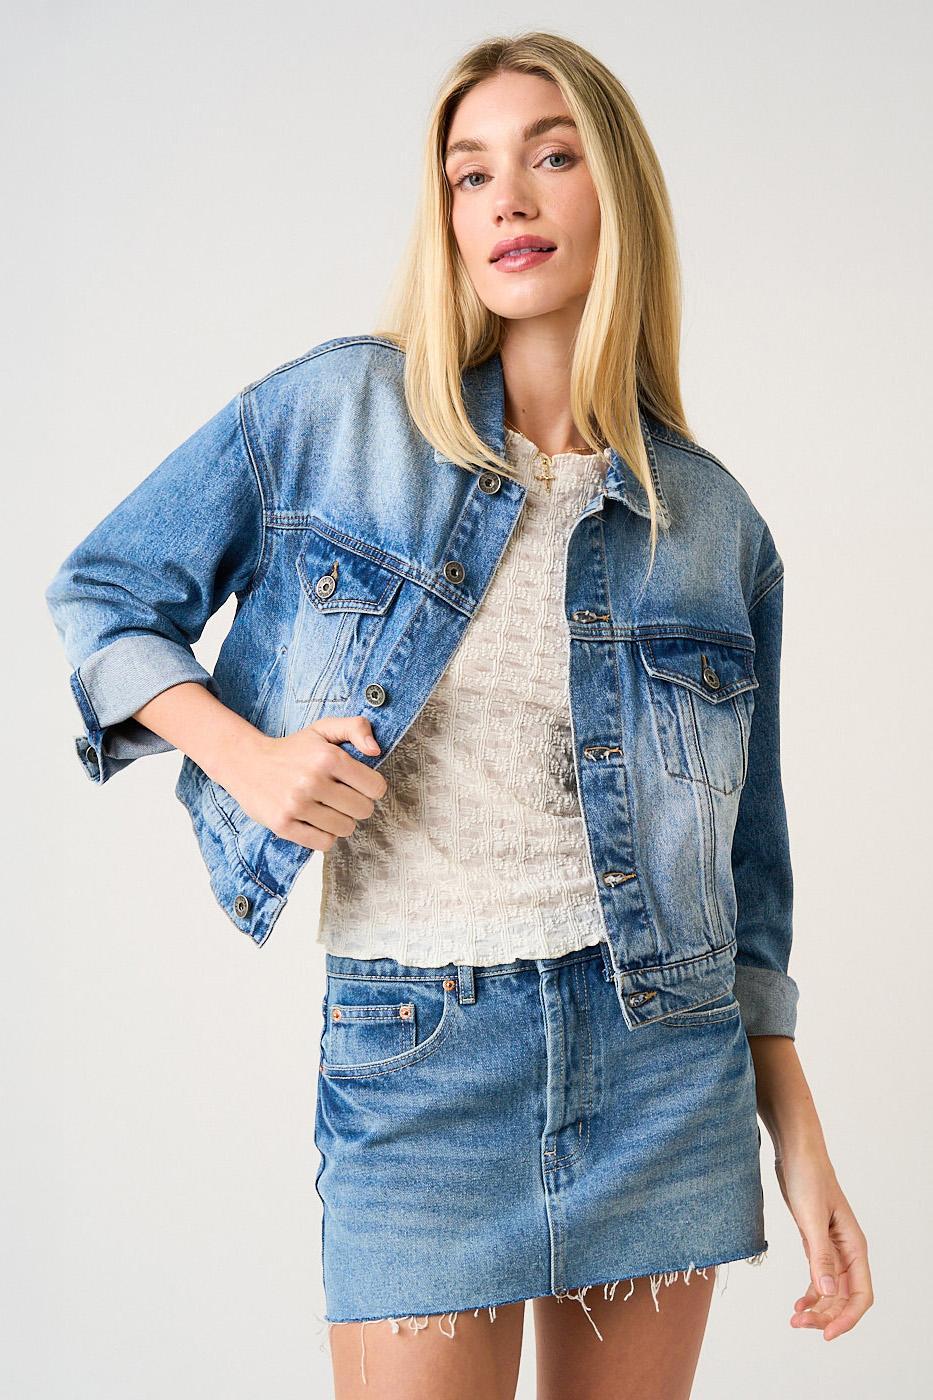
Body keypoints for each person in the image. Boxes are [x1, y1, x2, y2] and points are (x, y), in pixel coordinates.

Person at [45, 29, 873, 1400]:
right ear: (443, 214)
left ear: (614, 190)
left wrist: (800, 1142)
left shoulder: (713, 521)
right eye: (468, 171)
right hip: (418, 1056)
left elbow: (747, 879)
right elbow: (104, 593)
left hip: (663, 1066)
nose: (508, 198)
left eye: (550, 156)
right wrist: (243, 758)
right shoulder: (335, 414)